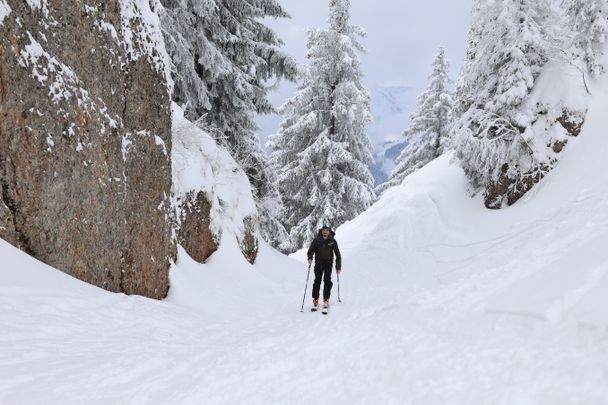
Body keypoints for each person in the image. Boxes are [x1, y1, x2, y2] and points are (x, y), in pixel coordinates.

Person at [307, 223, 341, 312]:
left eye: (327, 231)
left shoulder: (333, 241)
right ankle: (315, 299)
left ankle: (326, 300)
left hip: (328, 263)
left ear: (329, 231)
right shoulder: (317, 240)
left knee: (327, 281)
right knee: (317, 281)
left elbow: (338, 254)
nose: (325, 232)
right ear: (321, 231)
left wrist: (338, 266)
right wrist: (310, 258)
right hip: (318, 263)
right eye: (323, 230)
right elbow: (311, 250)